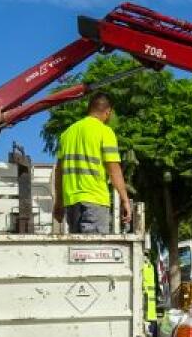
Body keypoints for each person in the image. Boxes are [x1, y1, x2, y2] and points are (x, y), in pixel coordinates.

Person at [51, 92, 132, 234]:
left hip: (72, 203)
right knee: (94, 253)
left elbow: (59, 172)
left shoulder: (67, 133)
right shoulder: (104, 131)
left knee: (77, 253)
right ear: (108, 112)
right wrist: (125, 200)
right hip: (95, 201)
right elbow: (114, 170)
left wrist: (59, 202)